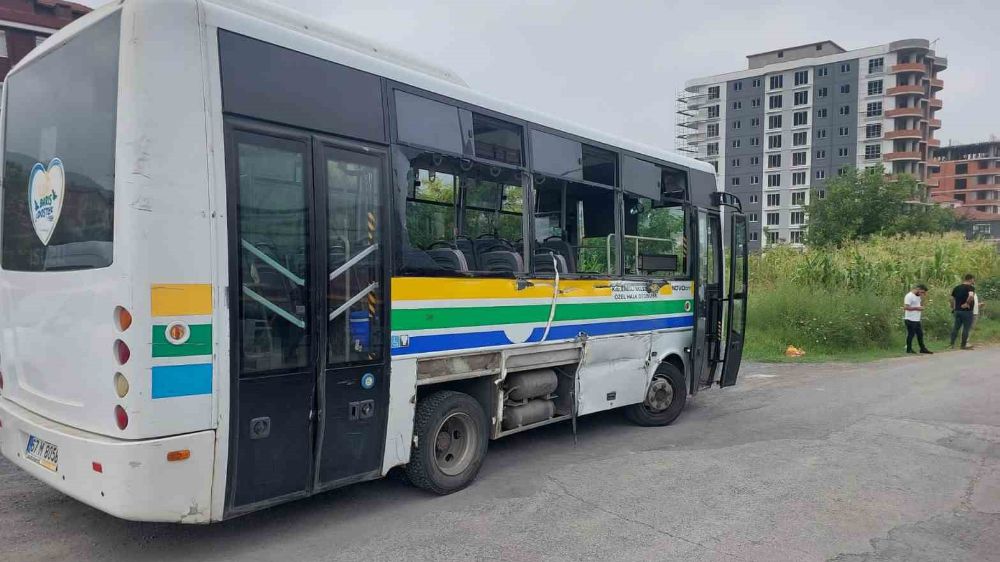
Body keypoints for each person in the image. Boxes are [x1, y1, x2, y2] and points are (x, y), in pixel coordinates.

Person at [903, 284, 932, 354]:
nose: (922, 294)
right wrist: (917, 308)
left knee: (920, 334)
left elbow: (919, 304)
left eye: (923, 293)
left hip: (916, 319)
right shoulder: (909, 296)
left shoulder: (918, 296)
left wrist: (922, 300)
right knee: (911, 334)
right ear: (918, 289)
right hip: (910, 319)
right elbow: (906, 307)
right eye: (922, 292)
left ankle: (922, 348)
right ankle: (909, 349)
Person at [950, 274, 976, 350]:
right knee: (966, 328)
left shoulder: (957, 288)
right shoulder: (970, 287)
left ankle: (951, 344)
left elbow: (951, 298)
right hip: (967, 311)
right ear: (970, 279)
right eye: (973, 280)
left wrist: (953, 307)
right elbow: (971, 296)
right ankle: (963, 345)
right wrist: (967, 303)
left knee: (956, 327)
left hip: (957, 311)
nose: (973, 281)